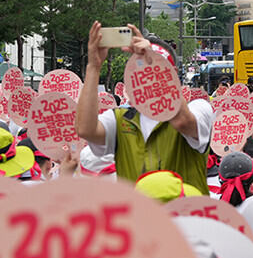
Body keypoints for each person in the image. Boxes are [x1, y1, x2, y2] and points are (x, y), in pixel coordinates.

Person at [76, 22, 214, 193]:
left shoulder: (199, 108)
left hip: (185, 217)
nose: (149, 75)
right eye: (142, 67)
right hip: (140, 218)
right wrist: (93, 67)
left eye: (159, 67)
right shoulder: (120, 118)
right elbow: (85, 129)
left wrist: (152, 61)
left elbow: (182, 122)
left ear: (174, 73)